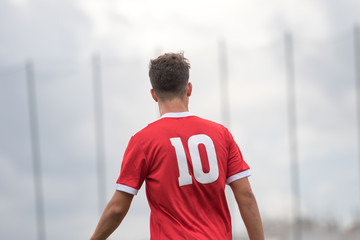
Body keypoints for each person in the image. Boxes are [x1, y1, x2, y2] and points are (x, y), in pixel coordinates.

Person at [90, 52, 264, 240]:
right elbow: (246, 196)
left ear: (154, 94)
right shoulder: (221, 134)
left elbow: (117, 208)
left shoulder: (142, 141)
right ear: (189, 88)